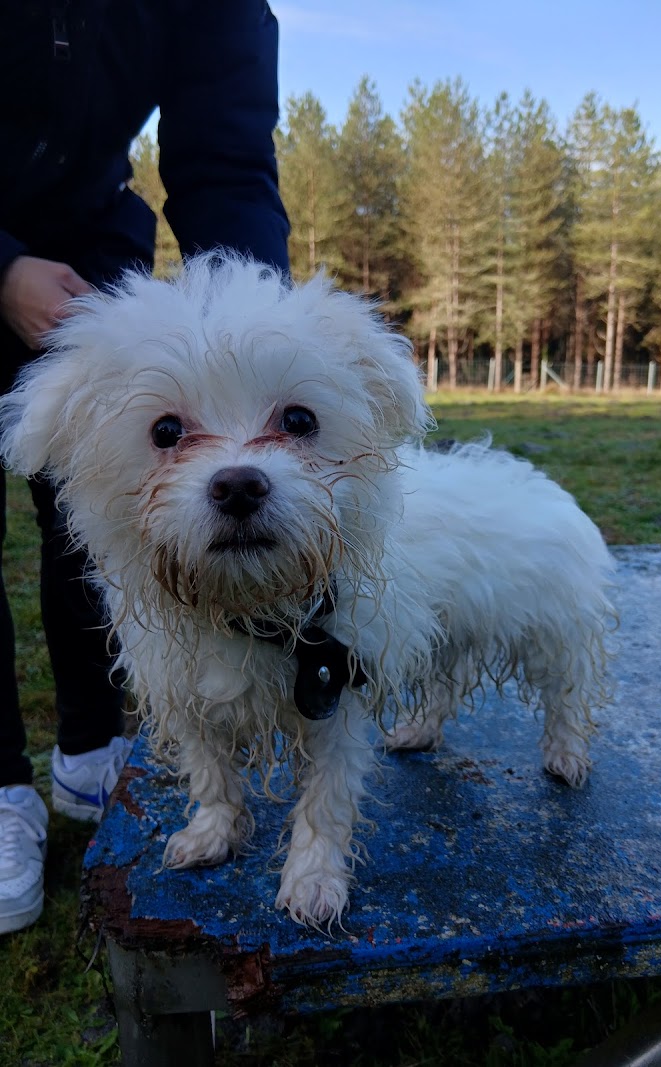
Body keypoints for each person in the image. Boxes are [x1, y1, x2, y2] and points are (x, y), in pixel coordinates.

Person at [0, 0, 290, 934]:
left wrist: (259, 328)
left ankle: (92, 747)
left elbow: (226, 159)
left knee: (93, 514)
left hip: (93, 248)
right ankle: (1, 788)